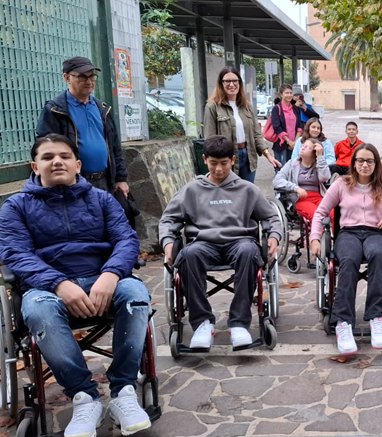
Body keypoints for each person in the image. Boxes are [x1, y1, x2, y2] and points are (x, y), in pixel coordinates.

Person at [0, 134, 152, 437]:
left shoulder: (102, 199)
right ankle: (85, 397)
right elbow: (16, 254)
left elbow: (125, 239)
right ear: (35, 165)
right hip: (47, 287)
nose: (57, 161)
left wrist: (110, 274)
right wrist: (59, 284)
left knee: (136, 293)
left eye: (65, 156)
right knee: (38, 309)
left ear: (77, 164)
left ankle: (123, 391)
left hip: (101, 279)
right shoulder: (15, 206)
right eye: (48, 157)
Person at [158, 136, 283, 349]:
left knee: (247, 252)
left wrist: (274, 236)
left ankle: (239, 324)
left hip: (240, 242)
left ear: (233, 160)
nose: (218, 169)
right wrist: (168, 241)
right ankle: (203, 324)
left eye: (223, 163)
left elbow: (271, 217)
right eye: (213, 163)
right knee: (188, 254)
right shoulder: (191, 190)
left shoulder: (247, 189)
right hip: (204, 243)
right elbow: (169, 219)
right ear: (204, 159)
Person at [309, 144, 382, 355]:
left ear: (376, 164)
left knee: (377, 255)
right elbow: (320, 212)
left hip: (375, 232)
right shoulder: (341, 184)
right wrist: (315, 238)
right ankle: (343, 323)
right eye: (361, 161)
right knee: (349, 259)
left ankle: (377, 317)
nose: (365, 165)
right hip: (348, 233)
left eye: (370, 161)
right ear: (353, 163)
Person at [36, 56, 129, 196]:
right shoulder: (55, 111)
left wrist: (121, 179)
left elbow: (115, 147)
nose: (89, 82)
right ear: (67, 78)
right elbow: (45, 148)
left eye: (92, 76)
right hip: (74, 183)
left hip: (105, 181)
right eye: (82, 77)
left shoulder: (103, 108)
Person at [204, 67, 281, 183]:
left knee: (247, 194)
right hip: (226, 158)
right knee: (229, 194)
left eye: (235, 81)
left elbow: (256, 133)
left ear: (239, 83)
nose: (231, 84)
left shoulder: (247, 106)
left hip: (248, 156)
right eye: (227, 81)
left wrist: (268, 155)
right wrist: (215, 163)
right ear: (221, 84)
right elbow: (210, 139)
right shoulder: (212, 107)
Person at [273, 138, 331, 222]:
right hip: (299, 199)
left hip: (318, 197)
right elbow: (277, 181)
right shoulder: (291, 164)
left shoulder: (319, 165)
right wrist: (296, 188)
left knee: (334, 213)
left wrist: (320, 156)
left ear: (314, 152)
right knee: (317, 215)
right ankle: (317, 235)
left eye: (307, 147)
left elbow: (325, 177)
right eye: (303, 146)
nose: (303, 148)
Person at [271, 84, 319, 166]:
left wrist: (295, 142)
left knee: (292, 166)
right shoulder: (277, 108)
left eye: (291, 93)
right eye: (287, 93)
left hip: (294, 143)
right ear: (281, 94)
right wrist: (288, 141)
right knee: (280, 168)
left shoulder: (295, 107)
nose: (289, 95)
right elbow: (277, 126)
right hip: (281, 143)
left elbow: (299, 126)